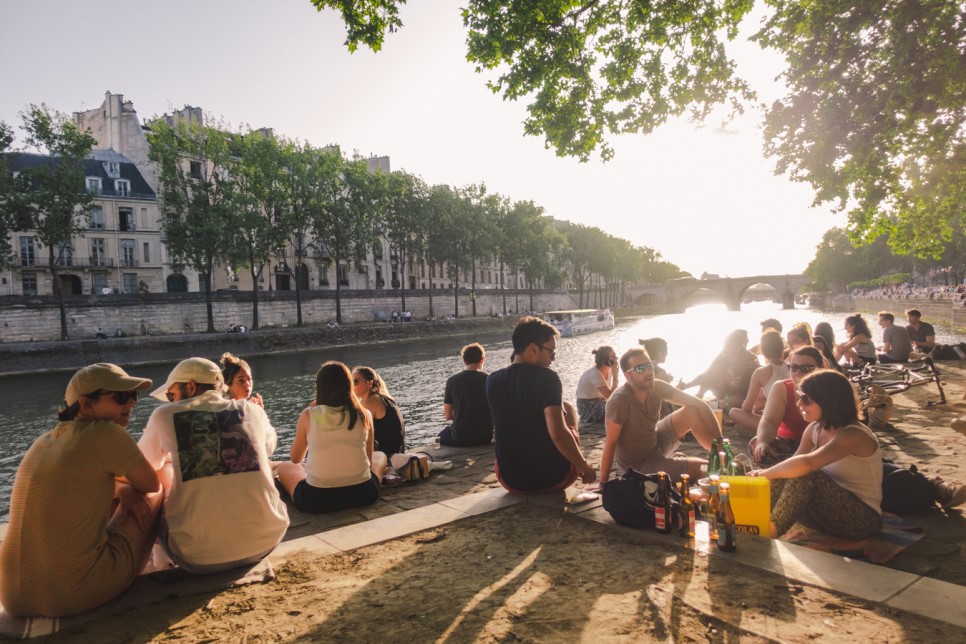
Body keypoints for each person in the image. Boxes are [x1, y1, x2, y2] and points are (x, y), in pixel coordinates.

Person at [0, 364, 161, 617]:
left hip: (13, 597)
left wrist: (122, 490)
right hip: (72, 596)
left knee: (117, 492)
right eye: (120, 396)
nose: (131, 402)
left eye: (133, 396)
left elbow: (87, 481)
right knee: (162, 481)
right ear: (86, 405)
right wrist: (129, 490)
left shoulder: (43, 441)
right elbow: (152, 485)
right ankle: (136, 571)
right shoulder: (105, 433)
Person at [138, 358, 289, 574]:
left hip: (197, 556)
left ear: (190, 386)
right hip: (265, 541)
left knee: (162, 468)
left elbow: (142, 466)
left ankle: (160, 564)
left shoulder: (164, 415)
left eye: (171, 395)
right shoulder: (253, 411)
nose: (171, 401)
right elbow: (267, 449)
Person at [751, 369, 883, 540]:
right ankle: (752, 516)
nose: (799, 404)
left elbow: (806, 464)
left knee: (805, 474)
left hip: (862, 520)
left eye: (806, 399)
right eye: (799, 397)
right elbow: (793, 464)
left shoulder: (854, 435)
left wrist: (761, 475)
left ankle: (768, 533)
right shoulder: (815, 428)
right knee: (789, 471)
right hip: (824, 514)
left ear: (828, 401)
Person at [485, 316, 596, 493]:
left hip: (508, 480)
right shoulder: (547, 378)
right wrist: (583, 465)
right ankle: (574, 463)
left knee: (563, 407)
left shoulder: (491, 380)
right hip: (552, 479)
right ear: (532, 349)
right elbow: (558, 434)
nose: (553, 358)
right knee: (568, 410)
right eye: (552, 352)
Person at [600, 347, 722, 484]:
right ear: (628, 376)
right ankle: (679, 465)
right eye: (640, 369)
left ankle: (721, 458)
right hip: (639, 464)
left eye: (649, 365)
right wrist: (603, 483)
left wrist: (721, 446)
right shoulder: (619, 401)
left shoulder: (656, 386)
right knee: (704, 469)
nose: (648, 371)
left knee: (692, 411)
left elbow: (700, 404)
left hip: (655, 441)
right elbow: (610, 443)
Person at [276, 362, 386, 513]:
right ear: (349, 385)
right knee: (380, 456)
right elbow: (367, 462)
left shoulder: (311, 416)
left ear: (320, 387)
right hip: (363, 494)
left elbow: (296, 458)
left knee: (285, 466)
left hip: (317, 499)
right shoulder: (364, 414)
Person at [749, 346, 824, 467]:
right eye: (793, 367)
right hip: (789, 445)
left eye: (806, 368)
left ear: (820, 369)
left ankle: (787, 472)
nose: (797, 373)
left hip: (818, 446)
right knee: (756, 444)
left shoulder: (828, 389)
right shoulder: (782, 388)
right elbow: (769, 420)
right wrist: (763, 441)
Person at [678, 329, 759, 407]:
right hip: (727, 391)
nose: (724, 349)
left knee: (737, 399)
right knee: (713, 369)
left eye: (727, 347)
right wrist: (687, 386)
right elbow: (707, 374)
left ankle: (715, 405)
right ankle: (699, 398)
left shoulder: (750, 360)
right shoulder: (722, 356)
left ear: (737, 347)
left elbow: (760, 379)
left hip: (743, 394)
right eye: (724, 346)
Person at [730, 330, 789, 432]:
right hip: (792, 422)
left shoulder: (760, 372)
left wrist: (751, 410)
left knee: (733, 412)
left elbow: (747, 408)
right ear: (781, 349)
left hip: (777, 426)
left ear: (763, 351)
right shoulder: (792, 367)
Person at [437, 342, 494, 446]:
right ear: (482, 360)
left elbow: (448, 415)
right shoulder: (490, 379)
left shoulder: (452, 381)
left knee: (441, 435)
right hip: (485, 436)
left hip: (461, 437)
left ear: (464, 361)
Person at [352, 366, 406, 456]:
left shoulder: (371, 401)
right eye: (351, 381)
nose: (352, 385)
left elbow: (359, 430)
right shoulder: (381, 398)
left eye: (356, 381)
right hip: (396, 453)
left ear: (369, 383)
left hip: (388, 457)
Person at [574, 345, 619, 423]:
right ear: (604, 359)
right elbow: (610, 396)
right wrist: (615, 377)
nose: (616, 358)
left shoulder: (610, 370)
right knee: (613, 406)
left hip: (600, 401)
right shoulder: (594, 374)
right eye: (613, 356)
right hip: (587, 407)